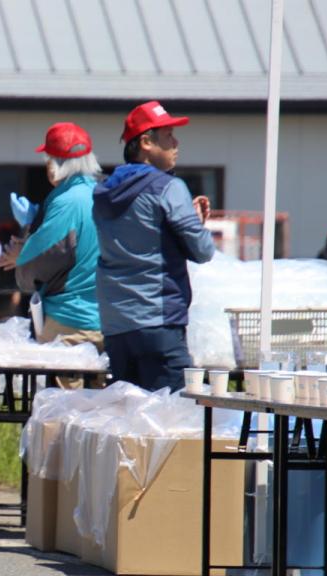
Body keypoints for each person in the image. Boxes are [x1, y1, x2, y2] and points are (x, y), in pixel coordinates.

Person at [92, 101, 215, 392]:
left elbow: (143, 235)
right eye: (168, 135)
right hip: (159, 322)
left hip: (116, 325)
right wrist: (194, 222)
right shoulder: (169, 188)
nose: (176, 143)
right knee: (172, 421)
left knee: (130, 420)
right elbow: (203, 250)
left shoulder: (103, 193)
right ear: (146, 142)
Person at [0, 123, 103, 358]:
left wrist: (20, 254)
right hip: (104, 318)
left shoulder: (66, 201)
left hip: (70, 324)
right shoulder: (100, 192)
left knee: (66, 395)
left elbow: (37, 262)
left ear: (56, 162)